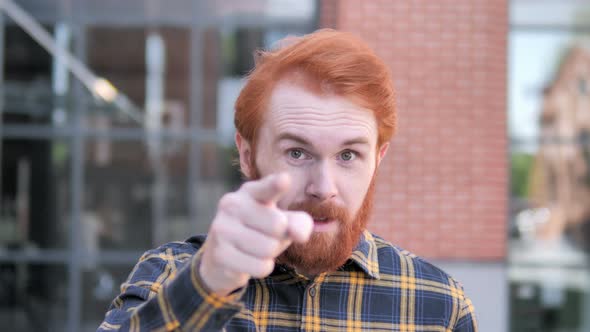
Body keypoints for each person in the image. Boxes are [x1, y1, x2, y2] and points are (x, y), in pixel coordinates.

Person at [98, 29, 478, 332]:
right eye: (297, 153)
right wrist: (207, 285)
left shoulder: (439, 305)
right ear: (248, 156)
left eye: (348, 155)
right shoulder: (170, 276)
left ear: (378, 160)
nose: (323, 186)